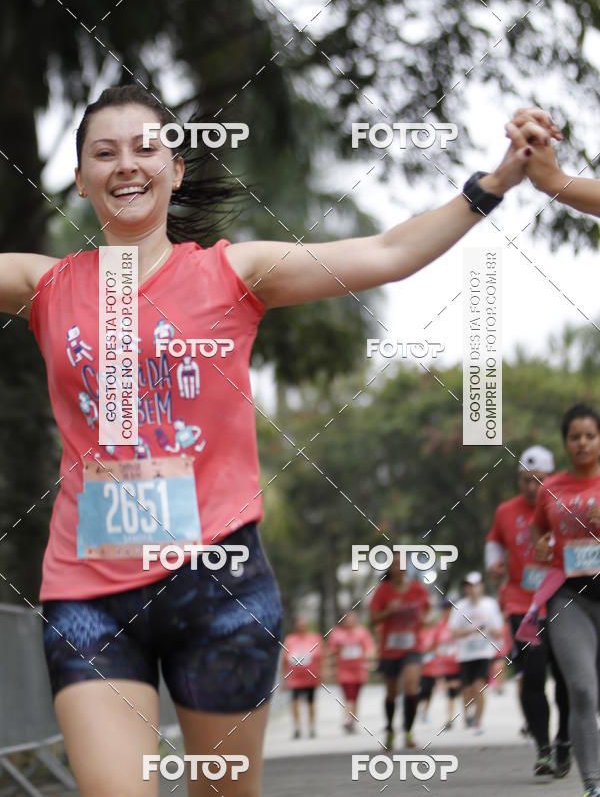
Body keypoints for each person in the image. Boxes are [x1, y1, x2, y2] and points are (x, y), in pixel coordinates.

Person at [0, 86, 558, 796]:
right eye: (103, 153)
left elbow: (387, 252)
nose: (126, 165)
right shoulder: (45, 285)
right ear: (79, 178)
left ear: (175, 168)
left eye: (146, 147)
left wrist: (494, 184)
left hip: (219, 585)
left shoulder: (232, 273)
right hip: (88, 594)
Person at [486, 445, 571, 777]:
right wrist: (493, 563)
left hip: (563, 601)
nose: (533, 488)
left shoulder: (565, 506)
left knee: (566, 678)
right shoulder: (506, 511)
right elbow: (494, 540)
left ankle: (565, 739)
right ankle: (543, 748)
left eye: (540, 480)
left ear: (551, 477)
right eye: (526, 480)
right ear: (518, 480)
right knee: (533, 676)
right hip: (522, 605)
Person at [530, 404, 600, 797]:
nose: (583, 443)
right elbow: (540, 531)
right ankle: (592, 783)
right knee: (582, 690)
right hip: (568, 598)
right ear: (566, 443)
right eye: (575, 437)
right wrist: (540, 545)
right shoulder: (549, 488)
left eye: (590, 435)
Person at [369, 558, 430, 750]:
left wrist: (424, 619)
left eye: (401, 565)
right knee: (391, 693)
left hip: (412, 647)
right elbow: (372, 619)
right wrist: (389, 610)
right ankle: (389, 730)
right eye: (393, 565)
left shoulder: (418, 589)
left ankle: (409, 731)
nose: (397, 568)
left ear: (406, 569)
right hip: (390, 649)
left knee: (412, 687)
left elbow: (428, 609)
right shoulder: (383, 591)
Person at [448, 571, 504, 735]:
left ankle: (479, 721)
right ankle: (468, 714)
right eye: (469, 586)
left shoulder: (490, 604)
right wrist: (472, 631)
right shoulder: (459, 606)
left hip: (484, 653)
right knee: (467, 690)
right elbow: (453, 632)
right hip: (465, 654)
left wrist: (489, 629)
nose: (472, 590)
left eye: (475, 586)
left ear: (481, 587)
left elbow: (499, 630)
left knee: (479, 687)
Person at [327, 610, 375, 732]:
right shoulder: (337, 634)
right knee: (349, 695)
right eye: (347, 619)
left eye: (352, 619)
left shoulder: (362, 632)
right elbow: (331, 651)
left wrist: (369, 659)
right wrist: (338, 649)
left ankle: (352, 720)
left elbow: (369, 648)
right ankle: (347, 719)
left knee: (355, 696)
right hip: (344, 671)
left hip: (359, 670)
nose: (350, 621)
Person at [417, 599, 461, 728]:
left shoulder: (459, 624)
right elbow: (433, 645)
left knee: (463, 688)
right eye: (445, 609)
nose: (447, 612)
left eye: (449, 609)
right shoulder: (439, 626)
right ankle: (450, 718)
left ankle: (469, 714)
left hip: (459, 661)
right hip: (444, 664)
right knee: (449, 691)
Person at [282, 616, 323, 739]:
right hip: (295, 677)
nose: (302, 627)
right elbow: (285, 658)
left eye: (304, 625)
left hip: (310, 676)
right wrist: (284, 677)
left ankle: (311, 727)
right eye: (299, 625)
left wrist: (322, 673)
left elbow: (321, 656)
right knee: (294, 702)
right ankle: (297, 727)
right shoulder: (290, 639)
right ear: (295, 627)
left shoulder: (315, 638)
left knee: (310, 703)